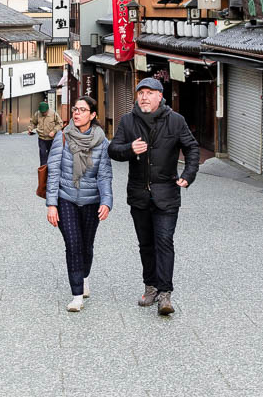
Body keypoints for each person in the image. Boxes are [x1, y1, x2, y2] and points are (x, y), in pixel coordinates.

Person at [108, 77, 199, 316]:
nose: (144, 97)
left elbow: (192, 148)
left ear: (160, 96)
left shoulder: (176, 121)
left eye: (149, 93)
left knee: (164, 241)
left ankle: (165, 294)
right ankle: (150, 286)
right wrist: (129, 149)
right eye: (141, 93)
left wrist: (188, 174)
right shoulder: (128, 121)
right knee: (146, 244)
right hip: (139, 194)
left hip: (167, 193)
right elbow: (113, 149)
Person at [45, 95, 112, 312]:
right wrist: (51, 204)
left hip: (92, 201)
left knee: (86, 245)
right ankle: (76, 295)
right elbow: (53, 171)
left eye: (82, 110)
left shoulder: (102, 142)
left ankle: (84, 278)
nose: (77, 113)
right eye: (75, 109)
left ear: (92, 115)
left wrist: (106, 201)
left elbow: (104, 175)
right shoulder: (62, 137)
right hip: (67, 199)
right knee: (73, 245)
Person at [30, 98, 62, 165]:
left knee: (52, 155)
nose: (44, 113)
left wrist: (54, 131)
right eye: (42, 112)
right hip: (42, 138)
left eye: (45, 112)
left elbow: (60, 124)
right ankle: (43, 171)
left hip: (52, 139)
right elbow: (33, 122)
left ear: (48, 110)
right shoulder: (38, 114)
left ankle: (51, 169)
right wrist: (31, 128)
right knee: (42, 154)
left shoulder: (53, 113)